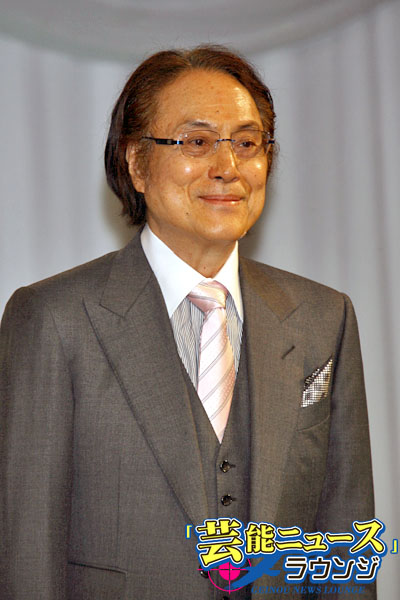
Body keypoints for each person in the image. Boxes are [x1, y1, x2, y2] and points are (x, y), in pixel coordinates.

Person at [0, 45, 375, 600]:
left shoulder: (324, 318)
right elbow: (26, 556)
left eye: (246, 143)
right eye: (197, 142)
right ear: (136, 163)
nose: (227, 167)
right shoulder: (53, 319)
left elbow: (346, 546)